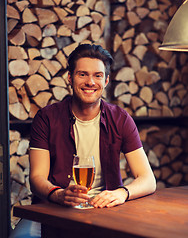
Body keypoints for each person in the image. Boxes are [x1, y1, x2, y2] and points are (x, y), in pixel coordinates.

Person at [29, 44, 156, 209]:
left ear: (106, 81)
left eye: (98, 76)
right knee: (20, 236)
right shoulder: (46, 118)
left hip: (103, 209)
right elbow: (36, 178)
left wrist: (122, 192)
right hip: (53, 208)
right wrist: (58, 194)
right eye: (82, 74)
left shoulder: (120, 119)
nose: (90, 82)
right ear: (70, 77)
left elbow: (148, 179)